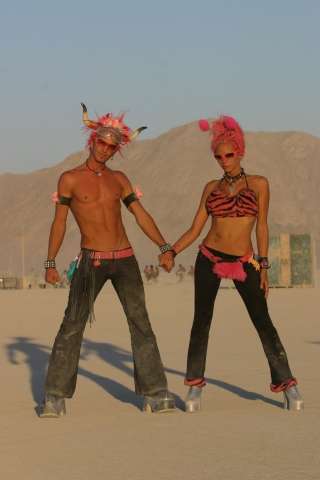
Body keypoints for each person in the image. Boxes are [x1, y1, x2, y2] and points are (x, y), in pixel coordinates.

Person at [40, 103, 175, 417]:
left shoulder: (120, 180)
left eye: (112, 146)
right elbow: (59, 223)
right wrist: (50, 264)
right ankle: (54, 395)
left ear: (117, 150)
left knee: (141, 325)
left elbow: (140, 214)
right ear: (92, 141)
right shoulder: (69, 179)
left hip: (125, 259)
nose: (105, 149)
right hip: (92, 262)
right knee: (72, 326)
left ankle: (155, 393)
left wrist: (164, 245)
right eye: (102, 142)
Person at [162, 115, 303, 412]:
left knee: (262, 320)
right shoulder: (210, 187)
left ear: (240, 152)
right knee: (201, 321)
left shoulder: (260, 184)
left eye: (229, 154)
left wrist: (264, 267)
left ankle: (288, 384)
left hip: (244, 261)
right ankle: (194, 386)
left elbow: (262, 226)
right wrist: (172, 251)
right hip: (209, 257)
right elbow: (195, 228)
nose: (224, 160)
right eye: (219, 156)